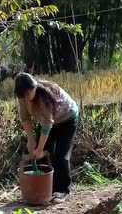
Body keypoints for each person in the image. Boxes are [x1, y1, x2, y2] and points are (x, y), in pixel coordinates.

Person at [14, 72, 79, 202]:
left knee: (60, 155)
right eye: (24, 95)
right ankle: (47, 187)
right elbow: (25, 119)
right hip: (51, 122)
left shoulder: (44, 96)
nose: (27, 97)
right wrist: (31, 141)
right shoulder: (22, 97)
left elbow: (47, 124)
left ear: (34, 87)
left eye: (29, 93)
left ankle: (63, 190)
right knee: (42, 151)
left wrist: (39, 149)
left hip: (68, 119)